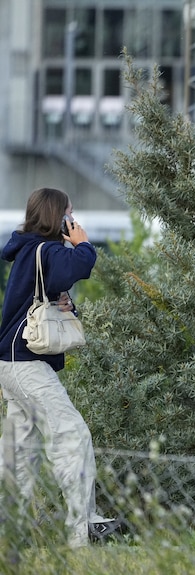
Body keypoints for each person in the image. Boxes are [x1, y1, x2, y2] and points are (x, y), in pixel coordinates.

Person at [0, 187, 117, 548]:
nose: (73, 217)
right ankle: (81, 529)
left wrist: (63, 301)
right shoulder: (47, 249)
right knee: (72, 435)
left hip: (10, 362)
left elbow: (51, 289)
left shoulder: (28, 248)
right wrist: (83, 244)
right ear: (57, 216)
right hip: (28, 364)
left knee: (22, 446)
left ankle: (14, 527)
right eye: (69, 212)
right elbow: (77, 266)